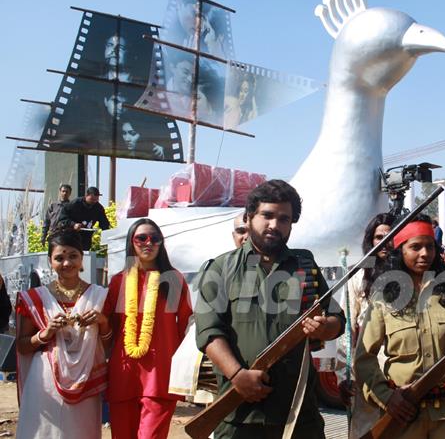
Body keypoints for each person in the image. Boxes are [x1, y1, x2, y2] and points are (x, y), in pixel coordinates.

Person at [194, 180, 345, 438]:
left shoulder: (304, 265)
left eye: (284, 219)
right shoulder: (220, 268)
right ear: (249, 216)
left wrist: (324, 328)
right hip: (240, 416)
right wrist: (238, 375)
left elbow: (337, 320)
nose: (275, 225)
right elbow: (209, 332)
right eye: (267, 215)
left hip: (299, 414)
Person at [354, 217, 445, 438]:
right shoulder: (384, 294)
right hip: (404, 414)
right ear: (400, 250)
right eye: (415, 247)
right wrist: (386, 397)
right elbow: (364, 357)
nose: (425, 253)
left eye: (430, 246)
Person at [102, 218, 192, 439]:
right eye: (141, 238)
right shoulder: (117, 282)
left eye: (155, 238)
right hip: (124, 377)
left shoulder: (173, 281)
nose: (148, 243)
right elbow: (109, 331)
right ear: (131, 242)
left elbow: (185, 329)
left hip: (159, 377)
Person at [15, 232, 110, 439]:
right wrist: (45, 333)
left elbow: (110, 343)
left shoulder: (100, 296)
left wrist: (102, 321)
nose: (67, 262)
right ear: (50, 262)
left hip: (86, 379)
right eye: (59, 258)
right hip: (45, 381)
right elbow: (21, 346)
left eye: (73, 256)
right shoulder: (36, 299)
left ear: (81, 259)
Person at [336, 212, 395, 439]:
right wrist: (343, 376)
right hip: (367, 370)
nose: (384, 242)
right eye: (378, 237)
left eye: (390, 236)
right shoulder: (358, 277)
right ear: (370, 241)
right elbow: (347, 329)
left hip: (402, 371)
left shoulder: (411, 276)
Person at [59, 187, 110, 251]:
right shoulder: (75, 204)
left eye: (96, 200)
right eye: (92, 199)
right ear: (86, 196)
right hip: (71, 236)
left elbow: (104, 223)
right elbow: (62, 219)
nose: (93, 202)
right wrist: (73, 224)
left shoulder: (98, 208)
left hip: (86, 239)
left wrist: (107, 236)